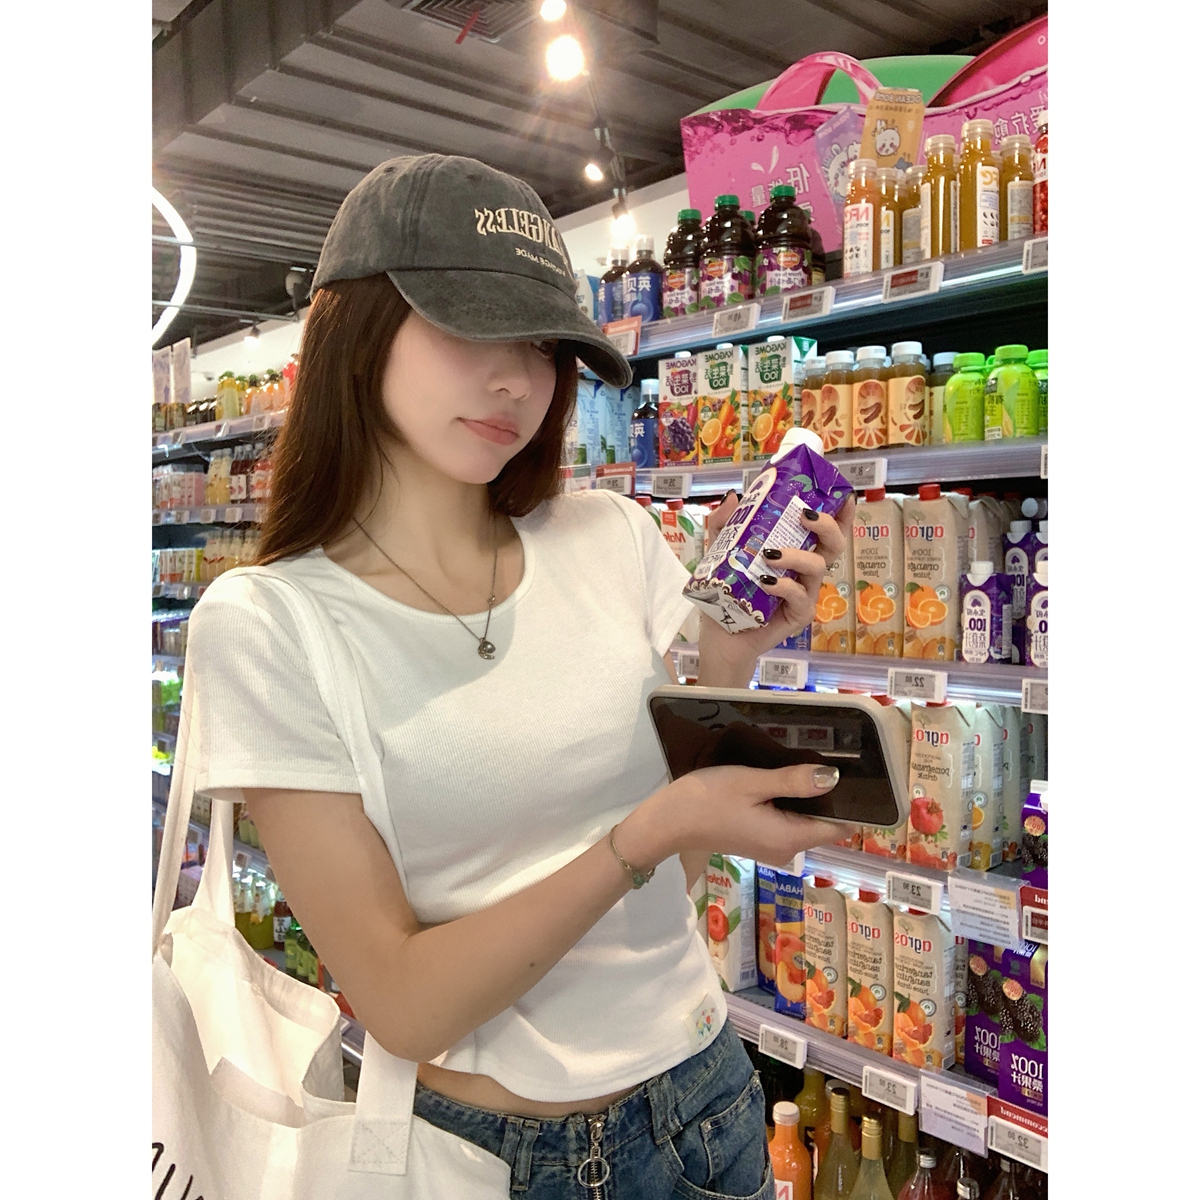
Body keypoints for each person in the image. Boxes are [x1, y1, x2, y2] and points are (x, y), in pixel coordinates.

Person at [184, 154, 854, 1199]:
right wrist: (650, 830)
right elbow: (402, 1003)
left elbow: (661, 901)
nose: (517, 381)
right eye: (471, 327)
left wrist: (730, 660)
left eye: (544, 346)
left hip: (708, 1113)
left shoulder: (611, 538)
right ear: (355, 328)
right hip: (482, 1158)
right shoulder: (268, 624)